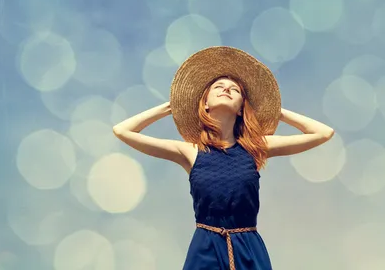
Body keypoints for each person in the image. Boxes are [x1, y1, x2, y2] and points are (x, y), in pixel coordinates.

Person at [112, 46, 335, 270]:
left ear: (240, 109)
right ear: (205, 103)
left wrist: (278, 111)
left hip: (248, 249)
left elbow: (323, 133)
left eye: (234, 90)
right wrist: (170, 106)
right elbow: (122, 131)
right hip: (205, 248)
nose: (226, 90)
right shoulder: (190, 151)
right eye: (218, 87)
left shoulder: (257, 147)